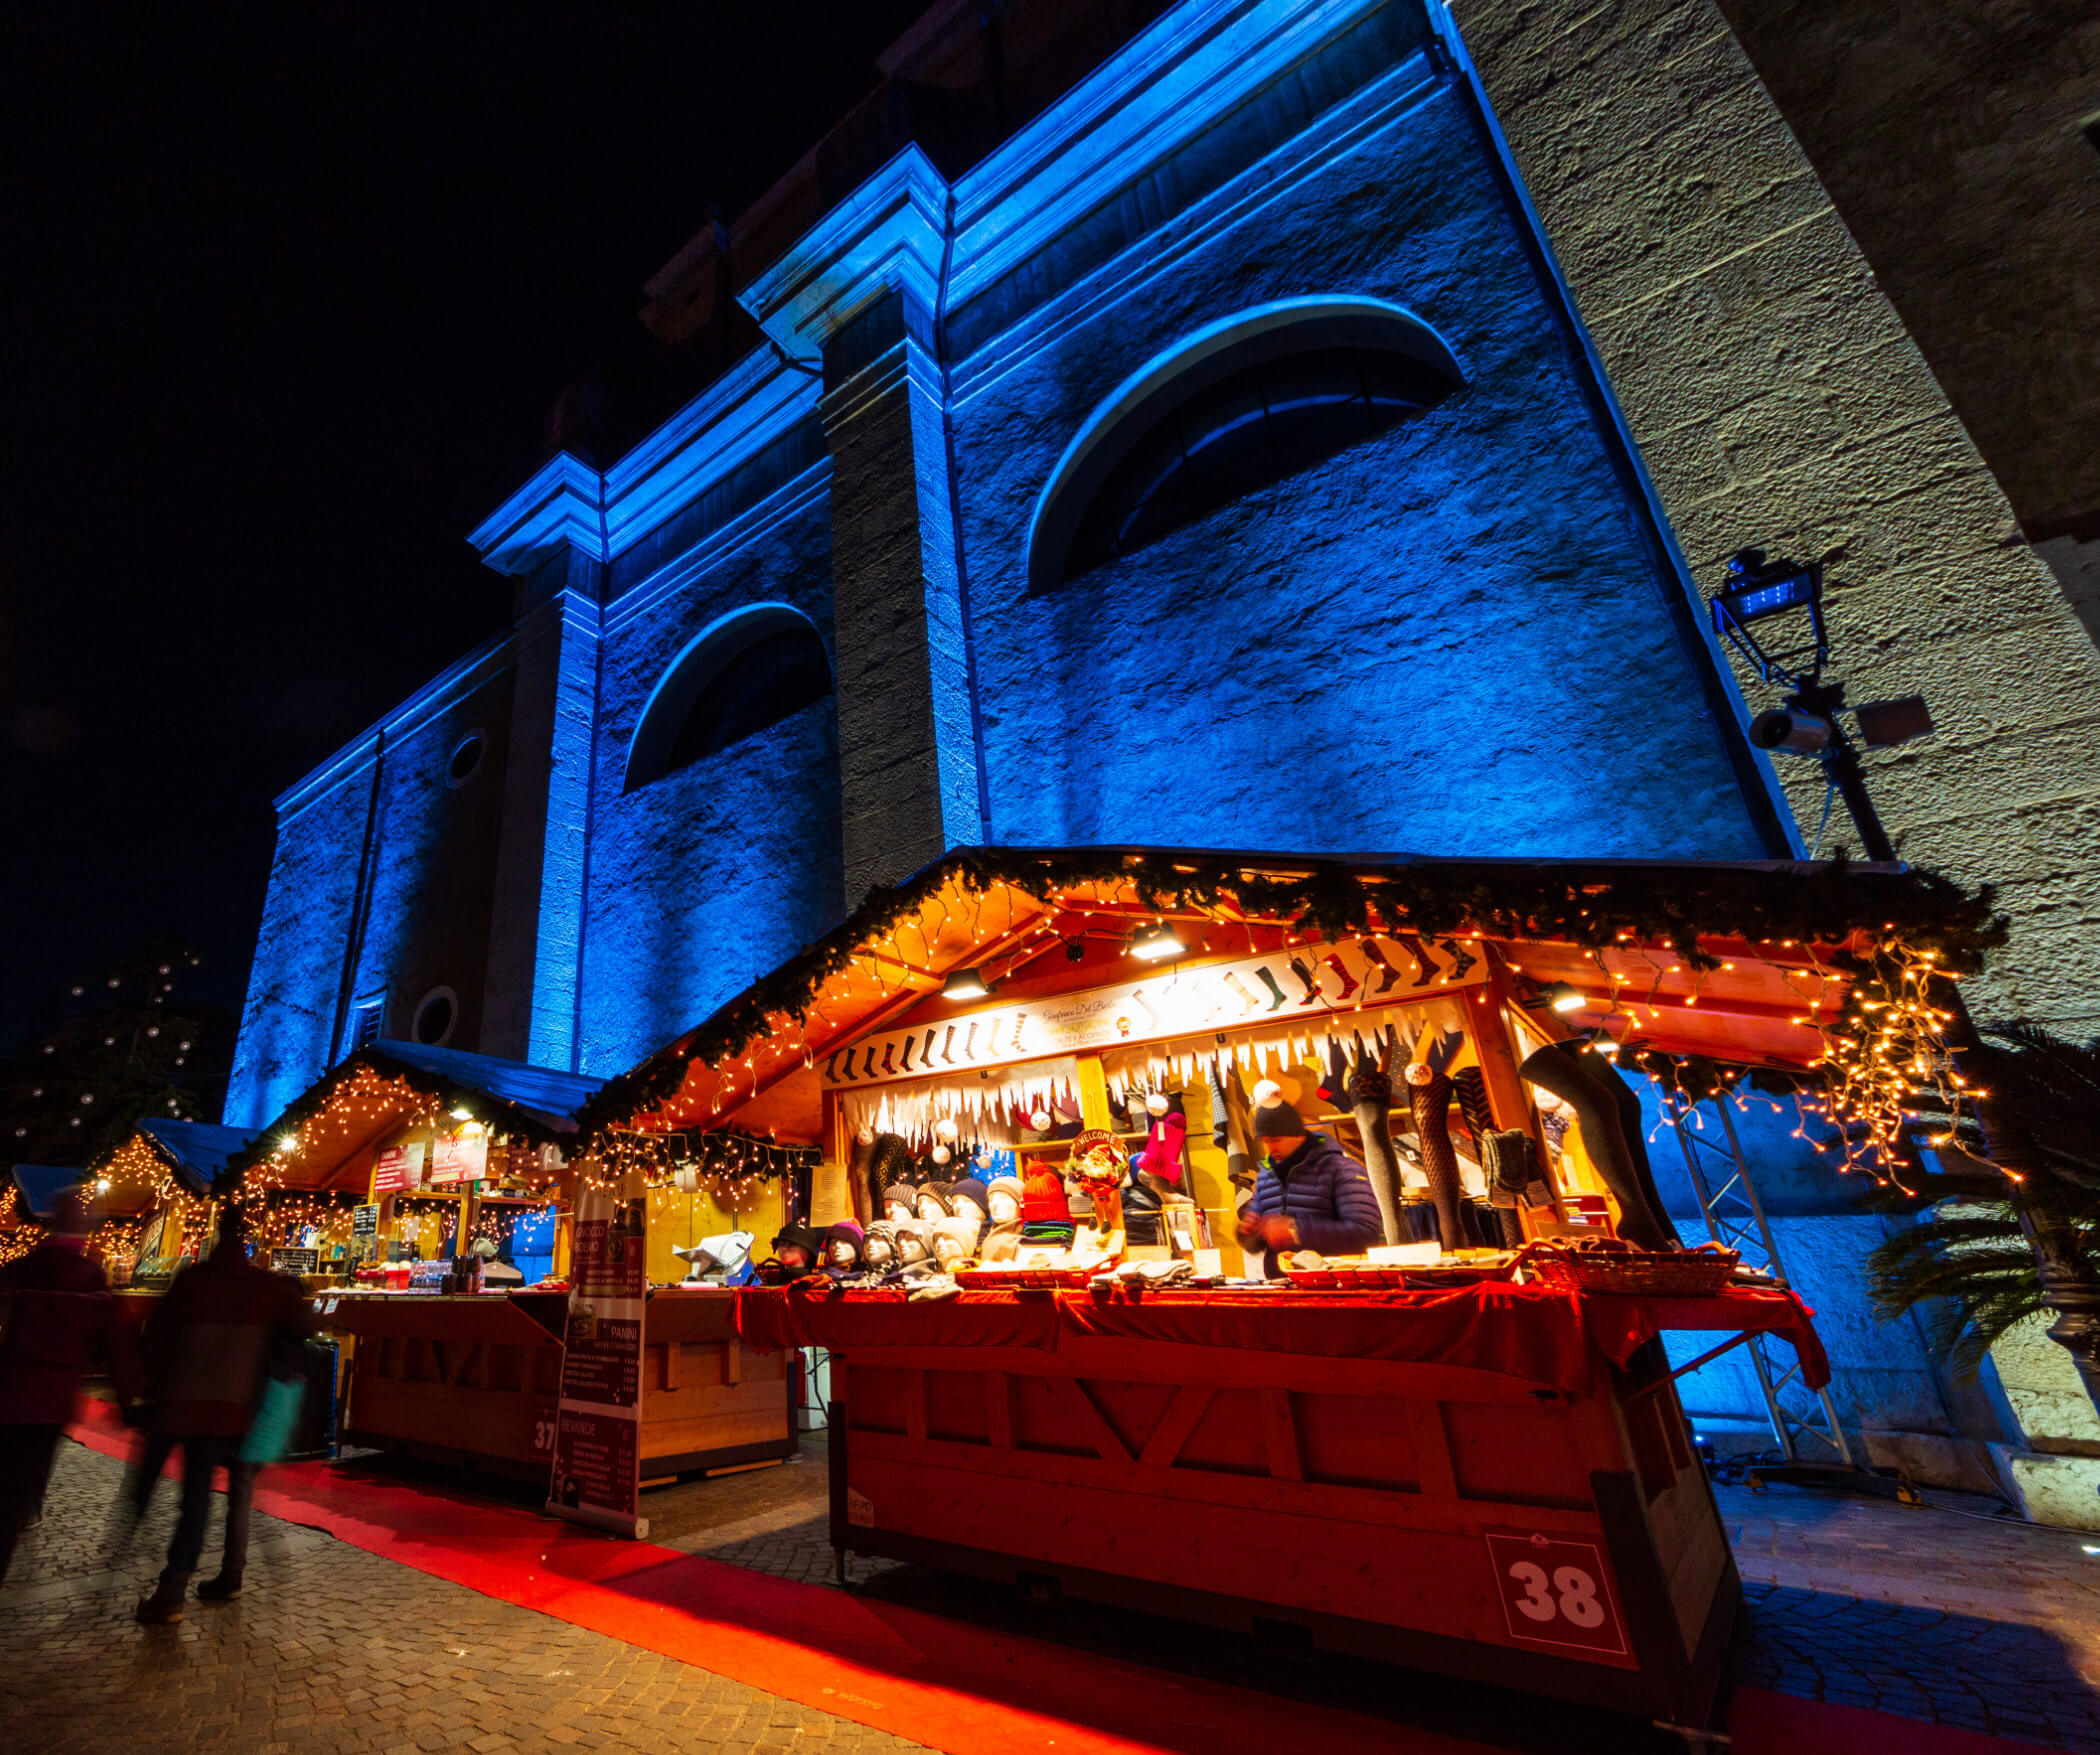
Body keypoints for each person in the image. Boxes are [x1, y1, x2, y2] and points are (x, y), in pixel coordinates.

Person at [132, 1205, 315, 1623]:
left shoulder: (193, 1280)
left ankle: (173, 1591)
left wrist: (144, 1391)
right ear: (246, 1239)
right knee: (239, 1491)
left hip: (190, 1405)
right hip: (239, 1409)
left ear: (217, 1235)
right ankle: (230, 1575)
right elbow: (303, 1322)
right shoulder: (264, 1286)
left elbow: (158, 1339)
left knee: (194, 1499)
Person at [0, 1188, 130, 1584]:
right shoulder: (88, 1277)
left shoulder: (22, 1269)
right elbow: (116, 1340)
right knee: (22, 1485)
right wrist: (128, 1398)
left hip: (10, 1391)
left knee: (7, 1483)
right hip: (52, 1398)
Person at [1235, 1094, 1383, 1274]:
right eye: (1264, 1141)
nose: (1269, 1149)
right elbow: (1259, 1241)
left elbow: (1365, 1235)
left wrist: (1296, 1230)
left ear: (1298, 1135)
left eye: (1276, 1140)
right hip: (1281, 1286)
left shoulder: (1341, 1169)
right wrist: (1249, 1234)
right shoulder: (1266, 1175)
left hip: (1332, 1285)